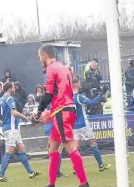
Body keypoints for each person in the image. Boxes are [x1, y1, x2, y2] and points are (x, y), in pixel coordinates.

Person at [33, 44, 89, 187]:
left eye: (39, 56)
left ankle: (84, 183)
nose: (39, 59)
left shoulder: (51, 69)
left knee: (70, 147)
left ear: (45, 56)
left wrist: (39, 111)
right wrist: (50, 112)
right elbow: (61, 92)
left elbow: (49, 94)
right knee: (52, 149)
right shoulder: (64, 68)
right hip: (65, 110)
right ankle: (51, 184)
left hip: (62, 112)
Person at [0, 82, 42, 182]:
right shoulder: (10, 99)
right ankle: (1, 175)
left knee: (21, 148)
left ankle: (30, 172)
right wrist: (25, 118)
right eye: (13, 87)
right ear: (10, 88)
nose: (15, 89)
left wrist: (3, 124)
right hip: (12, 129)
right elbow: (13, 112)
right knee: (9, 151)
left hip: (9, 128)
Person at [72, 78, 111, 171]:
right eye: (79, 83)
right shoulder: (79, 97)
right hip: (83, 124)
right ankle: (101, 165)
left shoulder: (68, 97)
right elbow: (91, 102)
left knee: (76, 147)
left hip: (73, 125)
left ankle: (75, 168)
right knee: (93, 143)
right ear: (77, 84)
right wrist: (101, 94)